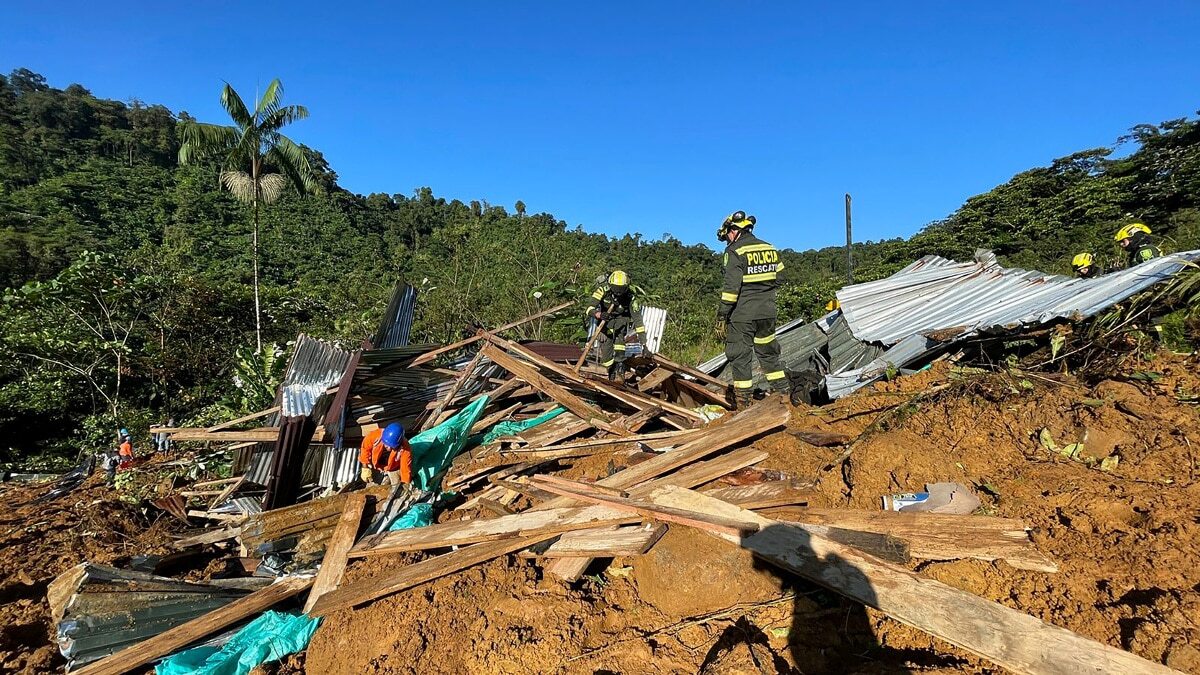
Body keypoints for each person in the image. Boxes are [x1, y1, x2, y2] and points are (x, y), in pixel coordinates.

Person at [715, 211, 791, 407]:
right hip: (768, 313)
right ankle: (783, 396)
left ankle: (743, 404)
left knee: (740, 356)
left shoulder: (734, 251)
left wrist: (722, 315)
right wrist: (763, 291)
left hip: (743, 315)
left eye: (727, 236)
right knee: (769, 354)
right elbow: (781, 277)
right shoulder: (769, 248)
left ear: (733, 230)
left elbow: (731, 289)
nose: (727, 240)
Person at [584, 270, 647, 380]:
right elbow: (589, 308)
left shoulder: (631, 298)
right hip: (605, 322)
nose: (618, 292)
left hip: (621, 321)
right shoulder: (602, 290)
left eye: (621, 289)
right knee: (606, 357)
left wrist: (644, 344)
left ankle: (620, 367)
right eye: (615, 288)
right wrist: (599, 314)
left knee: (619, 341)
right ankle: (611, 370)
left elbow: (638, 321)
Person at [358, 422, 412, 486]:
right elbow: (365, 449)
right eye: (387, 445)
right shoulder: (375, 435)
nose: (389, 448)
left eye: (392, 446)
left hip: (393, 469)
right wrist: (365, 468)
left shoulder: (405, 448)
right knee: (373, 489)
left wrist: (406, 485)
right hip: (376, 467)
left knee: (396, 487)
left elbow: (405, 469)